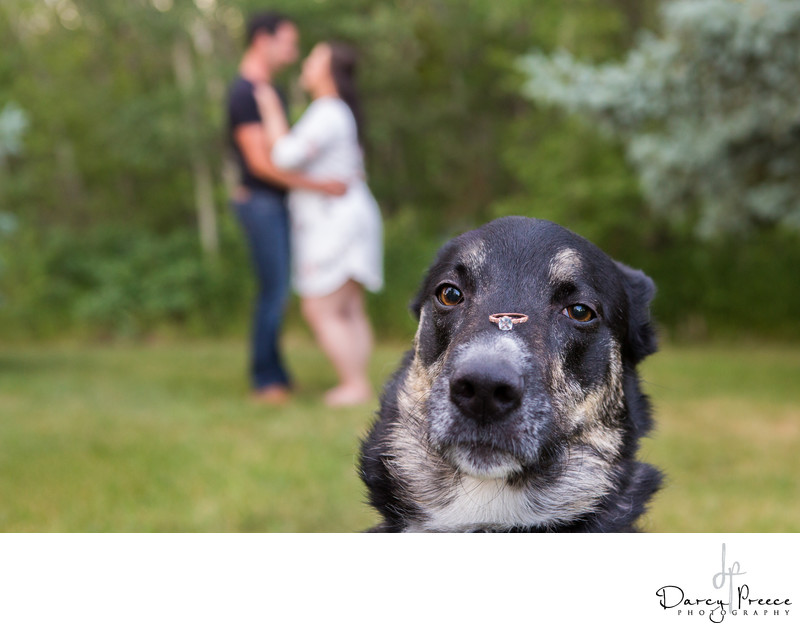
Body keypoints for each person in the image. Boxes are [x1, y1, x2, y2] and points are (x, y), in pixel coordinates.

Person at [255, 41, 384, 407]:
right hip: (352, 215)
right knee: (349, 308)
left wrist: (270, 109)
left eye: (314, 58)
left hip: (336, 222)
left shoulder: (328, 111)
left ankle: (354, 384)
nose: (307, 63)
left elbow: (284, 156)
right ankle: (357, 382)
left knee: (321, 308)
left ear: (327, 71)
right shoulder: (340, 111)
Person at [227, 12, 345, 405]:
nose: (293, 52)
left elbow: (288, 154)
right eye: (288, 42)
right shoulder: (244, 93)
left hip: (276, 204)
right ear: (263, 39)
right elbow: (261, 163)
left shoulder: (270, 93)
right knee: (273, 291)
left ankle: (276, 373)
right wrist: (319, 185)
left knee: (277, 291)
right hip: (259, 204)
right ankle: (265, 380)